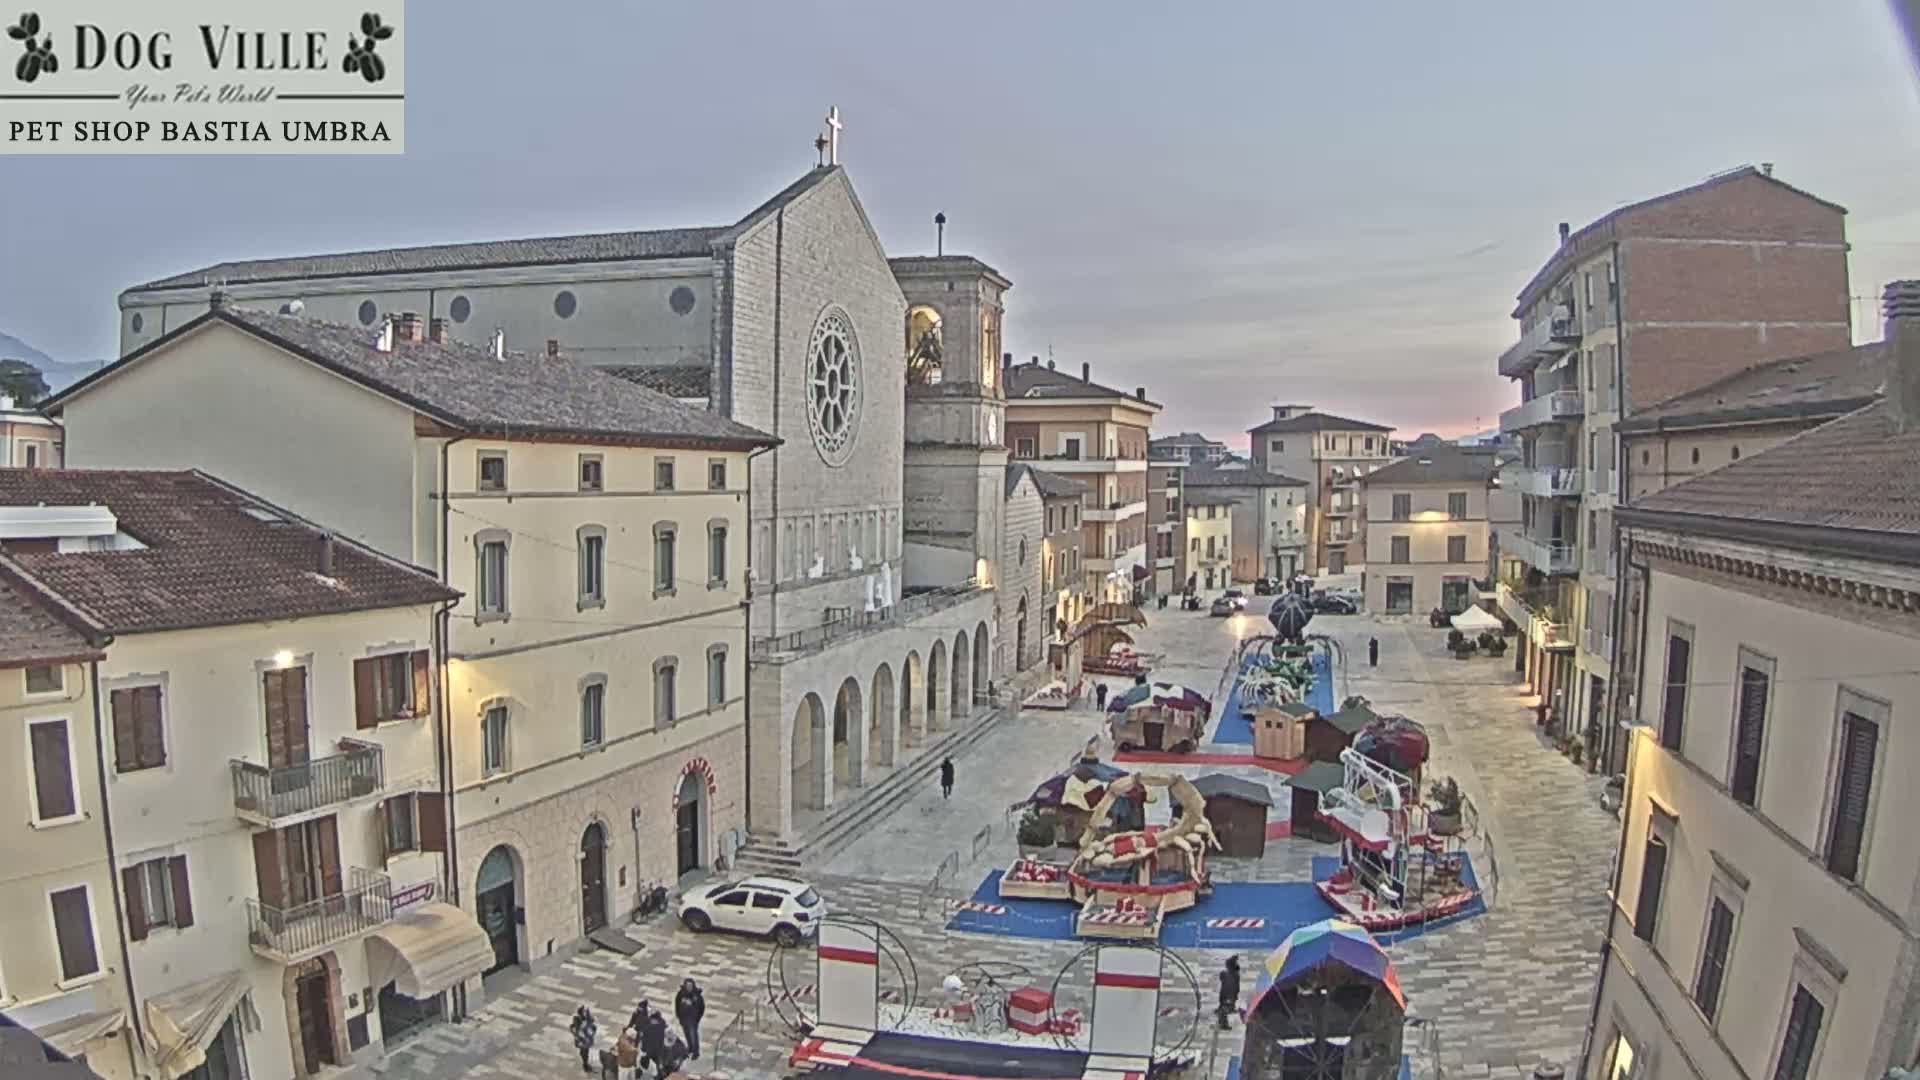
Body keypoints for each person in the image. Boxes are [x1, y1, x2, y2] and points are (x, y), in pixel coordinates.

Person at [674, 977, 706, 1060]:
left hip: (693, 1020)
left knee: (693, 1035)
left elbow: (702, 1008)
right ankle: (690, 1048)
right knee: (687, 1034)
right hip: (684, 1019)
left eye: (690, 986)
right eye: (687, 986)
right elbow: (677, 1004)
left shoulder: (697, 996)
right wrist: (679, 1016)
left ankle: (696, 1052)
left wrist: (697, 1019)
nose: (689, 987)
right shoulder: (681, 994)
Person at [640, 1007, 669, 1077]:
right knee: (659, 1063)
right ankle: (661, 1074)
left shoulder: (647, 1028)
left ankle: (645, 1070)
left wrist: (643, 1049)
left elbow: (644, 1040)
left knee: (647, 1060)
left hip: (651, 1050)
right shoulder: (662, 1023)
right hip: (660, 1049)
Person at [570, 1006, 598, 1074]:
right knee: (584, 1053)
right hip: (582, 1041)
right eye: (584, 1012)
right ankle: (585, 1065)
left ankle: (585, 1062)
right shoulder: (577, 1020)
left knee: (586, 1052)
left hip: (585, 1041)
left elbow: (592, 1024)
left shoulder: (586, 1018)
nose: (586, 1013)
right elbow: (575, 1029)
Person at [1216, 957, 1241, 1030]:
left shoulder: (1230, 975)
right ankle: (1223, 1024)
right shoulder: (1233, 975)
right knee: (1224, 1009)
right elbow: (1233, 987)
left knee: (1224, 1009)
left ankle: (1223, 1024)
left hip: (1227, 996)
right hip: (1228, 996)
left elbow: (1233, 987)